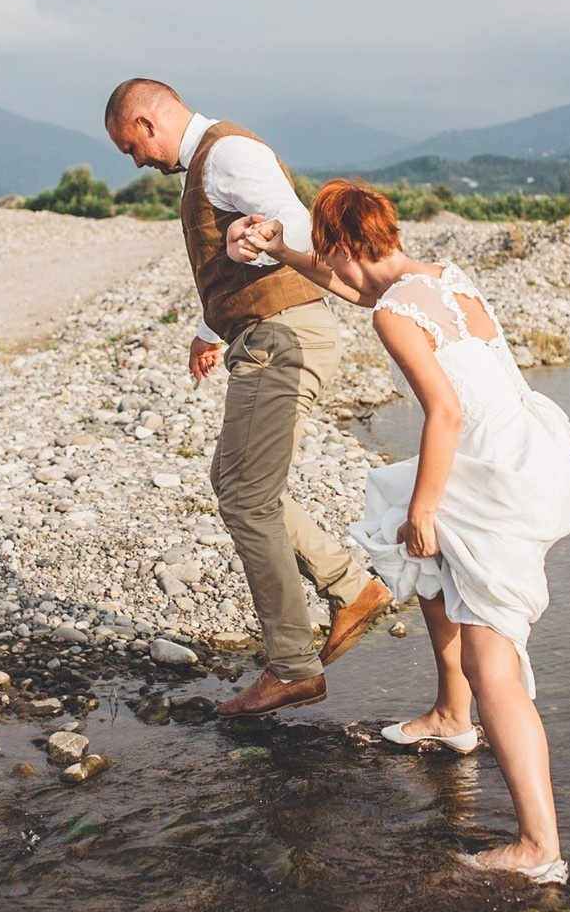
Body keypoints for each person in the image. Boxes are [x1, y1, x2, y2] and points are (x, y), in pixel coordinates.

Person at [233, 180, 570, 880]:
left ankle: (539, 847)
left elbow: (445, 413)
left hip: (494, 483)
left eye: (324, 249)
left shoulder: (394, 315)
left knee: (495, 663)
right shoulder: (440, 280)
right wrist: (284, 251)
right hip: (522, 451)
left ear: (342, 243)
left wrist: (427, 508)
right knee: (423, 563)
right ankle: (452, 716)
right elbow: (361, 288)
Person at [103, 79, 393, 718]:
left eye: (130, 146)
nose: (136, 161)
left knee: (244, 493)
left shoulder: (229, 153)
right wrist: (210, 329)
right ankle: (351, 587)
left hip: (283, 340)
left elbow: (293, 225)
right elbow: (235, 258)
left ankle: (293, 666)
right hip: (267, 335)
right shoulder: (206, 164)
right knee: (239, 482)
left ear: (148, 122)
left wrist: (257, 245)